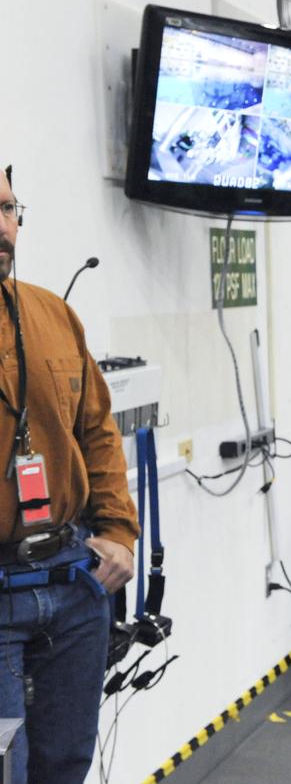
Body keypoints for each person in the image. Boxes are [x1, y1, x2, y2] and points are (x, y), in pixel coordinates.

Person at [0, 165, 138, 783]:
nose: (3, 226)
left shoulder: (51, 313)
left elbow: (97, 431)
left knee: (65, 766)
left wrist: (120, 532)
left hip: (72, 588)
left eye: (8, 209)